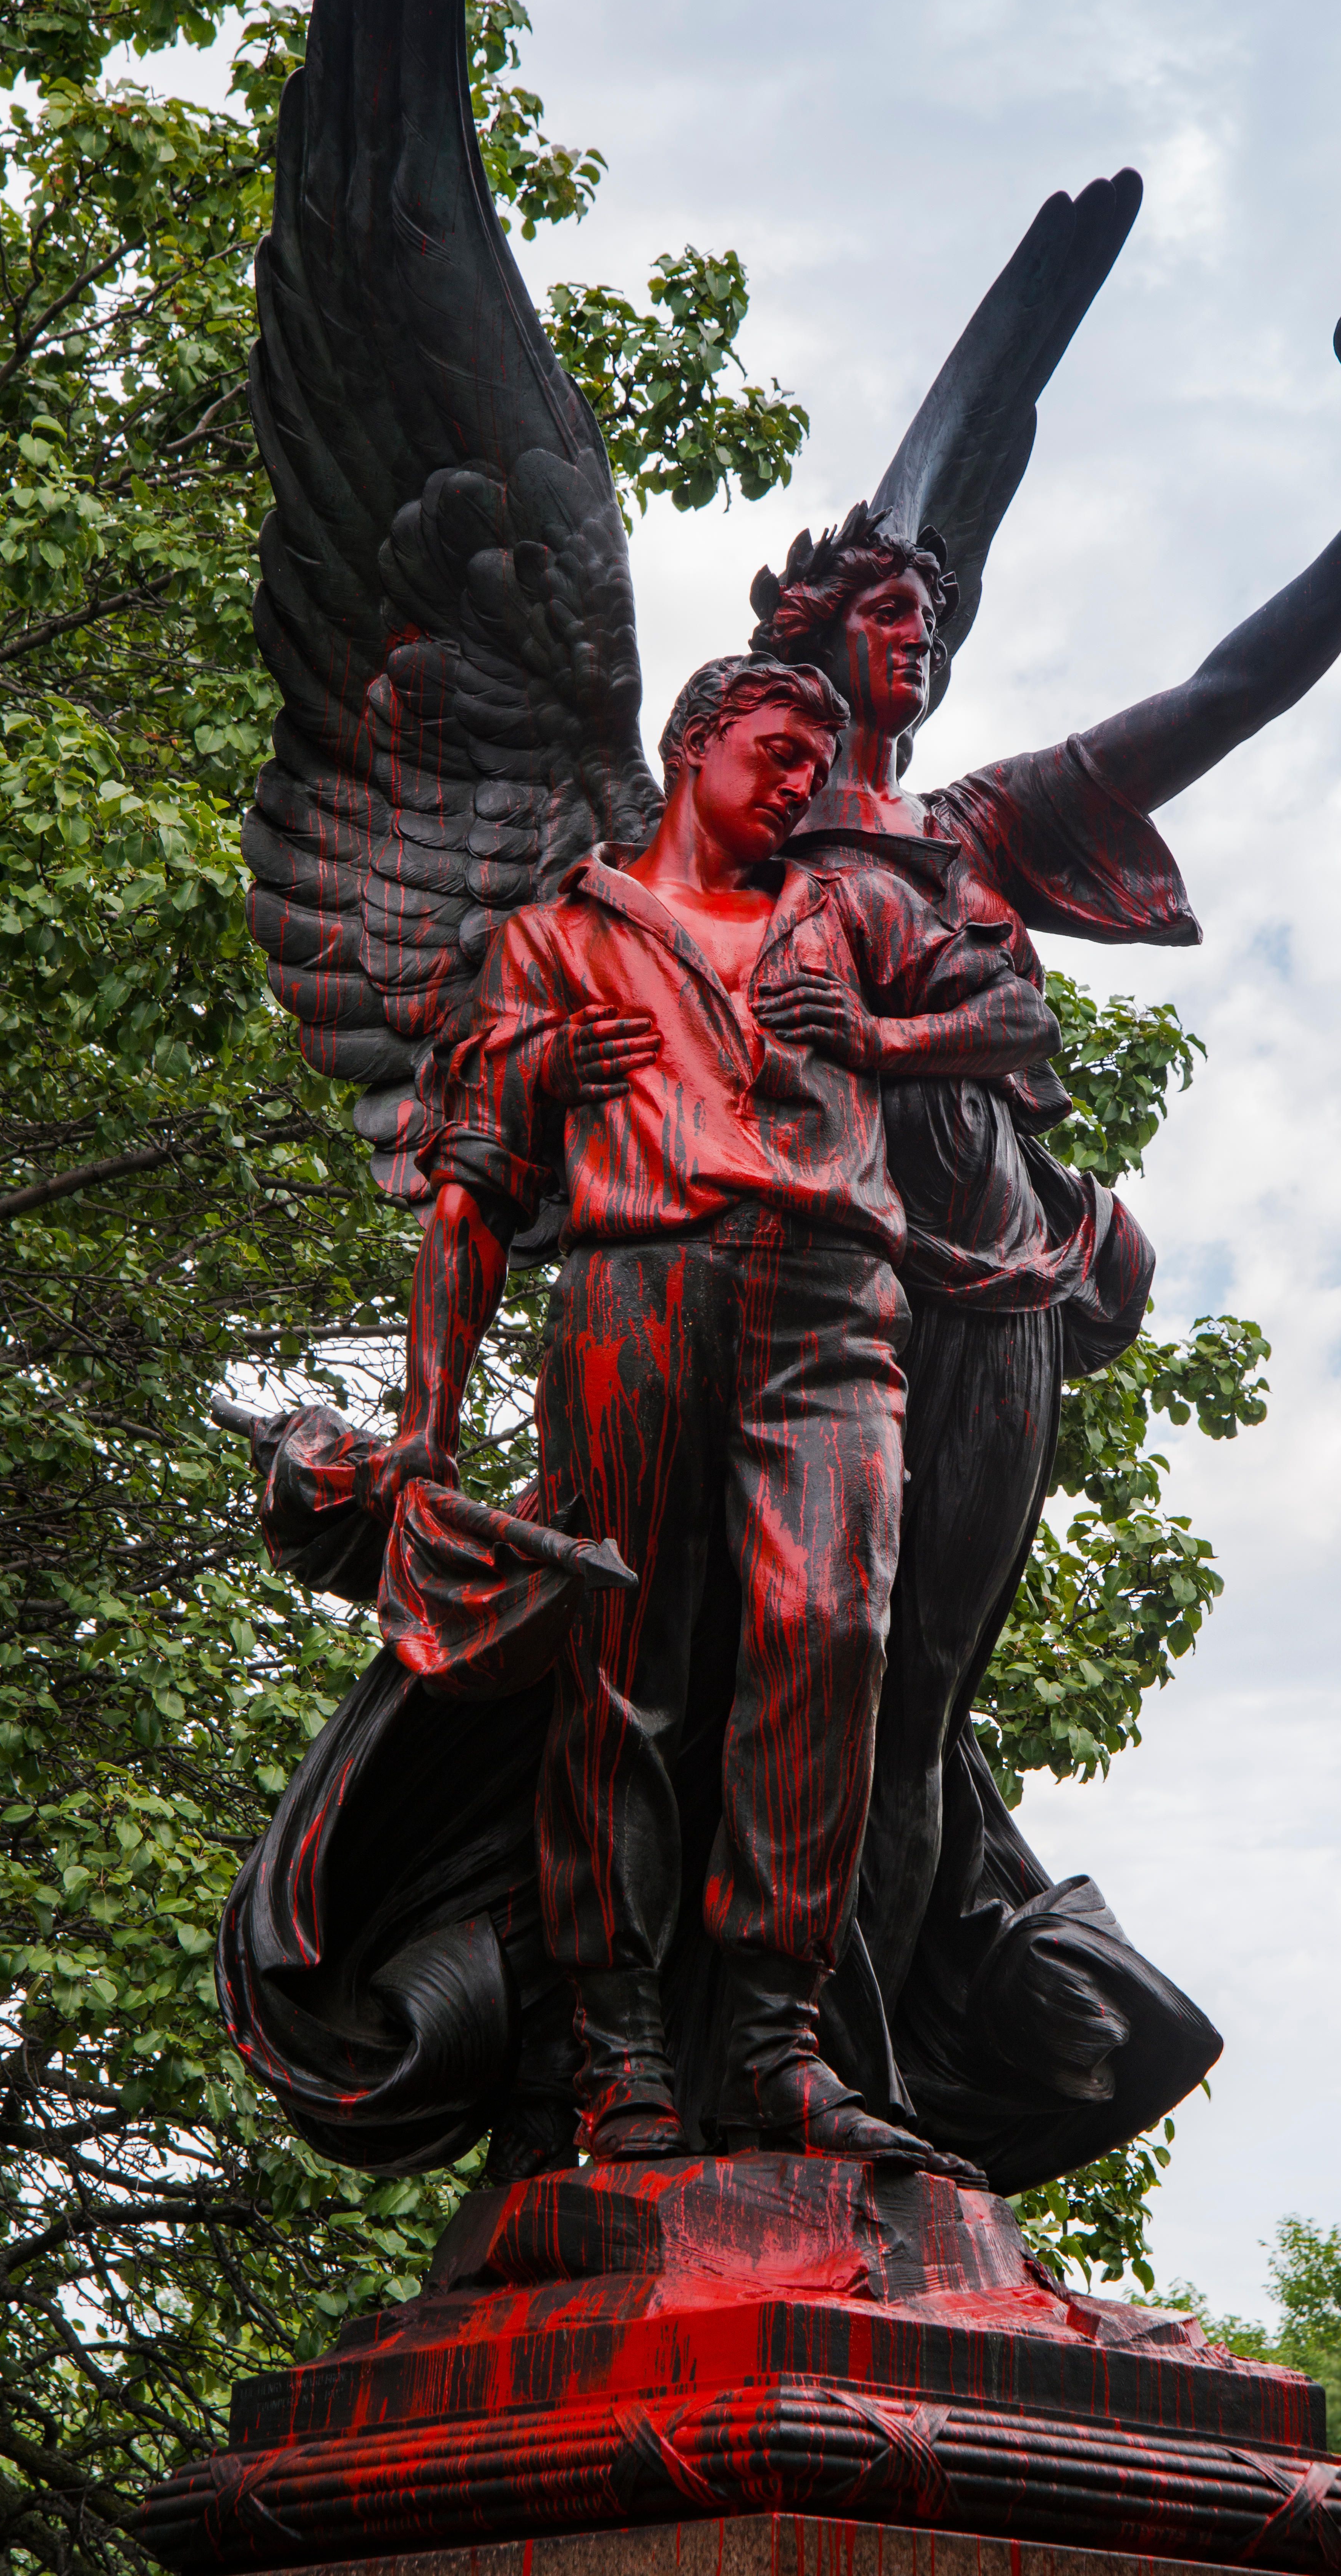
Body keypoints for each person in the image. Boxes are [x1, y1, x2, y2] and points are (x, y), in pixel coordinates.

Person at [743, 439, 1341, 2175]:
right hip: (819, 1292)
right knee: (806, 1667)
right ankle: (754, 2053)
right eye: (888, 608)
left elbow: (1228, 692)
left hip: (1000, 1299)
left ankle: (860, 2085)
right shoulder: (733, 834)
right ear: (805, 635)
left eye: (935, 615)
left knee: (916, 1704)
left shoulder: (974, 827)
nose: (923, 633)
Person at [372, 652, 1061, 2175]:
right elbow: (470, 1191)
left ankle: (775, 2043)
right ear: (694, 745)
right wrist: (428, 1425)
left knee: (833, 1630)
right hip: (636, 1293)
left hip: (832, 1306)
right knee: (619, 1666)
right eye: (777, 750)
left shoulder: (847, 912)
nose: (804, 781)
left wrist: (877, 1038)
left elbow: (1017, 1020)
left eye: (820, 759)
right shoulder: (559, 936)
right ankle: (617, 2048)